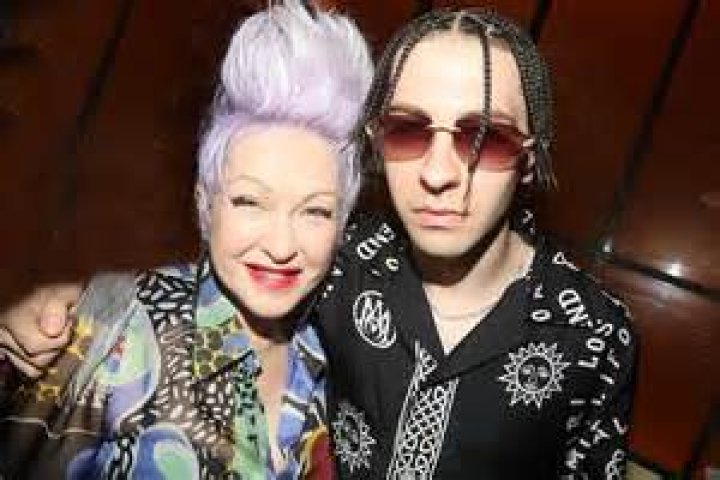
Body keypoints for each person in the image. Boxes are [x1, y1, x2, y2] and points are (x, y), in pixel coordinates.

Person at [2, 7, 637, 480]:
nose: (440, 172)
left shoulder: (594, 334)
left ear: (531, 158)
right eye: (409, 129)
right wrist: (72, 306)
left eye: (485, 138)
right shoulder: (346, 264)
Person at [0, 1, 372, 478]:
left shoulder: (339, 354)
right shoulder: (118, 327)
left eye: (315, 211)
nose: (281, 246)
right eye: (249, 202)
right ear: (205, 202)